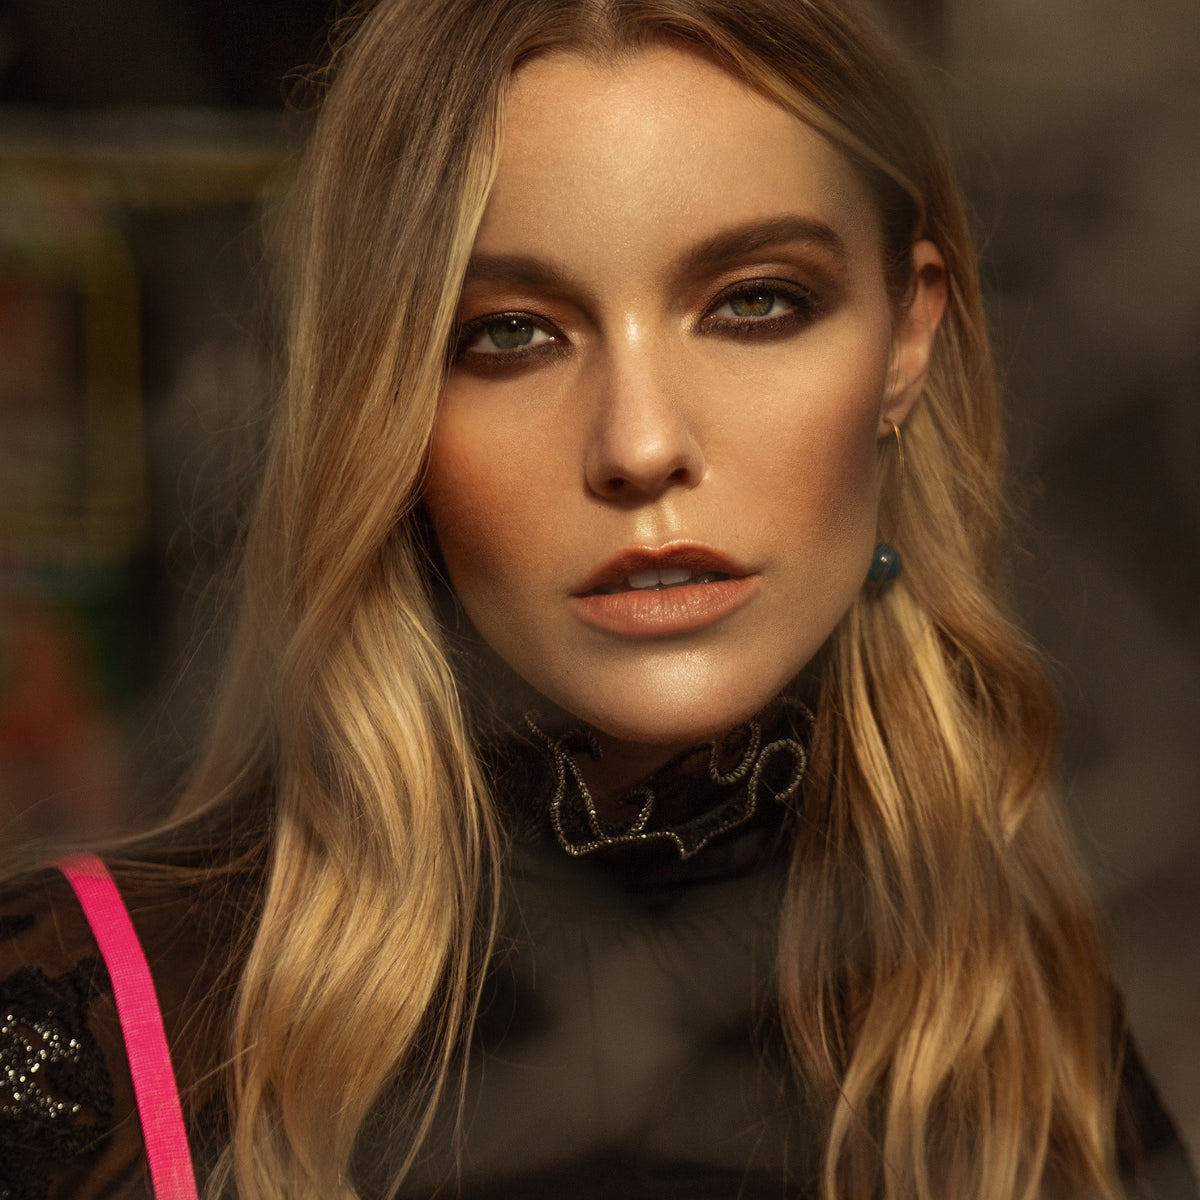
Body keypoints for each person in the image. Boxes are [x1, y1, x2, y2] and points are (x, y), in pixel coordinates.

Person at [1, 0, 1195, 1197]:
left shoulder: (1013, 1034)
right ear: (388, 404)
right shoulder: (89, 1030)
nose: (640, 444)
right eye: (511, 333)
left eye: (755, 302)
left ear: (906, 343)